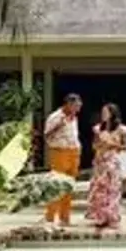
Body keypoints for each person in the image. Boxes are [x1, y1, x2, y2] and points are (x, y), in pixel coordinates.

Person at [86, 103, 126, 230]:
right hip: (100, 161)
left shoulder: (121, 129)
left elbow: (125, 147)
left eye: (106, 112)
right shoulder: (98, 129)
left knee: (112, 189)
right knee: (99, 189)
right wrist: (100, 145)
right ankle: (100, 217)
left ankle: (112, 217)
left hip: (112, 161)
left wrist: (112, 145)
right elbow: (94, 145)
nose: (104, 114)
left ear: (112, 114)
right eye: (102, 112)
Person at [42, 93, 82, 228]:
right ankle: (50, 218)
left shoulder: (74, 118)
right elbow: (47, 135)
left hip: (73, 153)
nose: (78, 108)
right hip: (60, 152)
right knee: (57, 185)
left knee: (68, 186)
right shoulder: (55, 117)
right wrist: (59, 125)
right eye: (76, 105)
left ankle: (65, 218)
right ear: (68, 104)